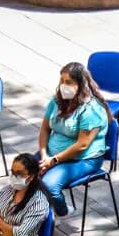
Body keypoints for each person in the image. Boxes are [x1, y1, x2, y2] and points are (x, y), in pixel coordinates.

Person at [37, 63, 111, 217]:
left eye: (69, 82)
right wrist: (44, 155)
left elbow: (82, 145)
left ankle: (62, 212)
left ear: (81, 85)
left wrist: (54, 160)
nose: (64, 86)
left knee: (49, 186)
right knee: (23, 173)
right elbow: (44, 129)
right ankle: (32, 214)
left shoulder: (91, 110)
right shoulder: (56, 101)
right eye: (62, 81)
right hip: (51, 155)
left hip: (83, 159)